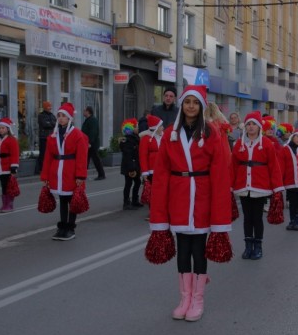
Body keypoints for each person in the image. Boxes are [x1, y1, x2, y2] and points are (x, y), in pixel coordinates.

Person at [150, 84, 231, 322]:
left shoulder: (212, 134)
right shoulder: (169, 134)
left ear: (202, 106)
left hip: (203, 196)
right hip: (179, 197)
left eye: (195, 103)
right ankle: (184, 298)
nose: (191, 106)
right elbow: (162, 172)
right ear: (182, 105)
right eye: (187, 102)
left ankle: (198, 299)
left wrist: (220, 212)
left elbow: (219, 172)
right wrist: (159, 211)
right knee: (183, 249)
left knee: (199, 248)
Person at [230, 111, 284, 260]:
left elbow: (274, 166)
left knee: (257, 217)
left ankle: (258, 246)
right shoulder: (238, 144)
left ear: (259, 127)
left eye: (254, 124)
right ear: (245, 127)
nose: (251, 127)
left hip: (260, 187)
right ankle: (248, 246)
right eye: (248, 124)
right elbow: (233, 166)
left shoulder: (267, 143)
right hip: (243, 187)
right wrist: (230, 186)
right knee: (247, 218)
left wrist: (277, 188)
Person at [41, 102, 88, 241]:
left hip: (71, 171)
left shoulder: (78, 135)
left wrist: (80, 175)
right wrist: (45, 175)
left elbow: (82, 156)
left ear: (69, 118)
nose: (60, 118)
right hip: (58, 171)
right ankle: (62, 227)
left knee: (72, 200)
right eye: (59, 116)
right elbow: (48, 157)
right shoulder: (53, 136)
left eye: (63, 116)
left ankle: (70, 227)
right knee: (62, 199)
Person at [120, 118, 143, 210]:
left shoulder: (135, 138)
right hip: (129, 166)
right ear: (131, 128)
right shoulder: (127, 140)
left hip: (135, 165)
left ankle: (134, 200)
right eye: (136, 126)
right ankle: (126, 202)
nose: (138, 128)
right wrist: (131, 169)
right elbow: (128, 156)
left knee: (137, 182)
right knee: (128, 184)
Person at [81, 106, 106, 181]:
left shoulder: (93, 120)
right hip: (87, 143)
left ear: (88, 112)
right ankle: (82, 175)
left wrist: (89, 142)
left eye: (84, 110)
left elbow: (93, 132)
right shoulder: (88, 120)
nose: (83, 112)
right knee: (85, 159)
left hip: (92, 144)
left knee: (96, 159)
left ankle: (101, 174)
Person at [36, 101, 56, 174]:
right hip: (43, 137)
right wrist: (52, 124)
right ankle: (41, 169)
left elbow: (56, 123)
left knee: (51, 153)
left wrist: (51, 123)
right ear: (45, 107)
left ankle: (49, 167)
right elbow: (45, 124)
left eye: (50, 106)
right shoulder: (41, 115)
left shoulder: (52, 115)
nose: (50, 108)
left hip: (51, 137)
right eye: (48, 106)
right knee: (43, 153)